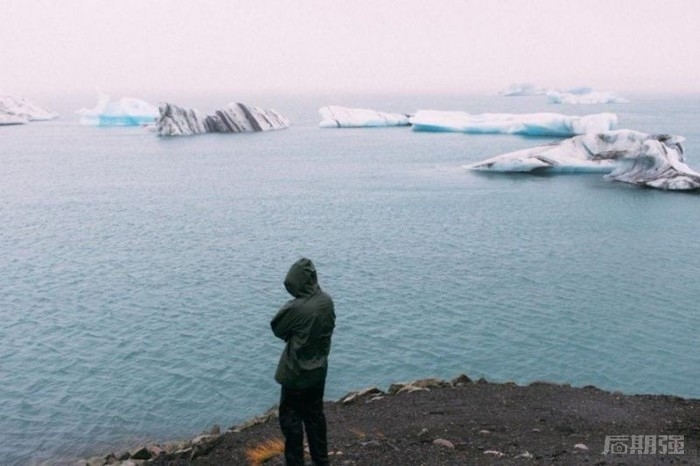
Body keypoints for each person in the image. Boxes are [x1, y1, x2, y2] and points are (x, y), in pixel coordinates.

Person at [271, 258, 336, 466]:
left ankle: (295, 462)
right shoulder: (327, 301)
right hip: (318, 372)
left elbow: (277, 327)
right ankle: (321, 460)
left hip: (295, 374)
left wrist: (293, 305)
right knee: (315, 416)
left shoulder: (296, 308)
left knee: (291, 421)